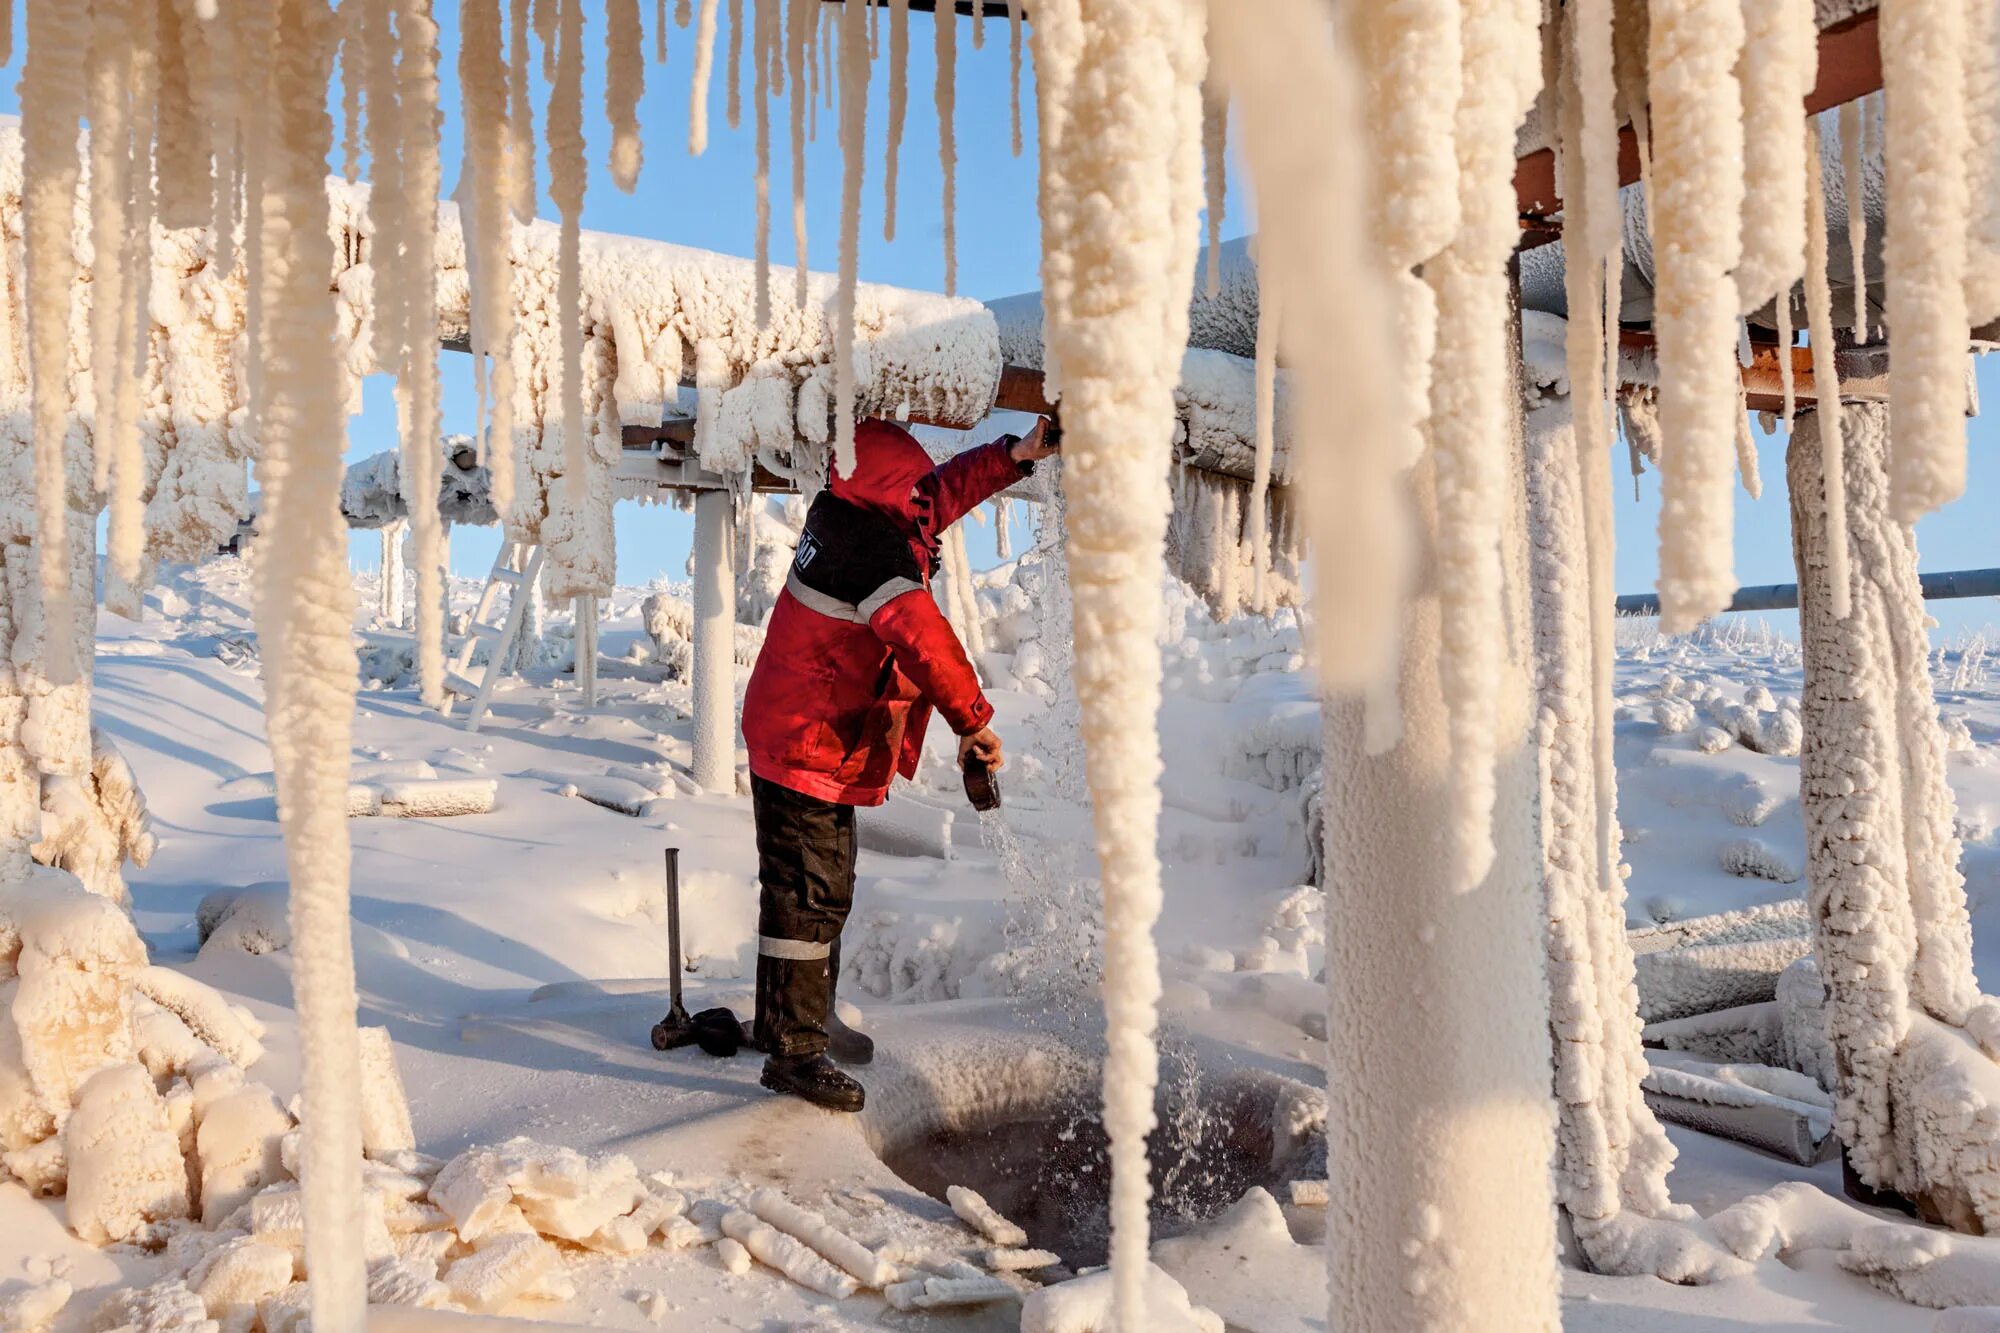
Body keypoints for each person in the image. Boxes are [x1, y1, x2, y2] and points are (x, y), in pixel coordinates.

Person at [741, 416, 1058, 1111]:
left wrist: (1016, 455)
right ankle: (793, 1053)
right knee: (808, 893)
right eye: (913, 487)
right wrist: (973, 722)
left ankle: (794, 1019)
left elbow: (939, 493)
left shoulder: (862, 507)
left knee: (817, 885)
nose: (927, 500)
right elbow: (924, 640)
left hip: (810, 735)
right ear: (889, 487)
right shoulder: (866, 552)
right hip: (805, 741)